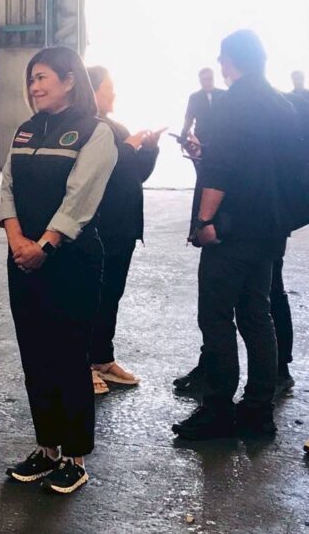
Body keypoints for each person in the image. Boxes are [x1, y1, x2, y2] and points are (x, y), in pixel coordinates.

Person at [0, 47, 117, 495]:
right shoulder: (26, 130)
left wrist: (44, 245)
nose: (34, 87)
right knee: (35, 355)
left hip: (71, 261)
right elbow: (7, 188)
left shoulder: (94, 132)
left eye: (43, 77)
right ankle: (47, 448)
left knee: (68, 356)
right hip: (23, 259)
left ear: (70, 81)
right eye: (31, 79)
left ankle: (75, 456)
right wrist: (16, 240)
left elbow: (79, 200)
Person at [172, 30, 300, 441]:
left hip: (231, 229)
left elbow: (223, 170)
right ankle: (258, 411)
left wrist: (204, 221)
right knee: (257, 315)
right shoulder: (281, 105)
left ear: (233, 60)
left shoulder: (231, 104)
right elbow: (264, 163)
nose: (220, 65)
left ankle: (217, 411)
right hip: (269, 230)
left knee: (216, 317)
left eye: (222, 57)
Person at [86, 66, 161, 394]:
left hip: (124, 230)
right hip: (98, 228)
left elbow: (134, 175)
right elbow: (103, 172)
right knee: (91, 298)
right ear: (92, 91)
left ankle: (102, 358)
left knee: (111, 296)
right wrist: (129, 149)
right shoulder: (87, 129)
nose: (114, 93)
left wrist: (149, 150)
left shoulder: (117, 128)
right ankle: (81, 363)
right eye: (109, 87)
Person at [181, 67, 225, 143]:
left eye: (210, 78)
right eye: (205, 79)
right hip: (200, 140)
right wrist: (183, 136)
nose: (208, 82)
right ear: (200, 81)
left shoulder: (224, 94)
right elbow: (188, 119)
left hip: (221, 138)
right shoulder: (194, 97)